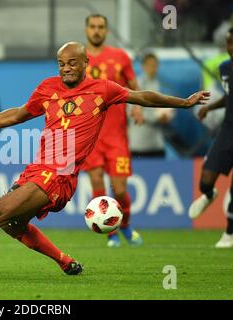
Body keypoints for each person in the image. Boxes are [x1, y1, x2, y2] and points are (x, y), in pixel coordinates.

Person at [0, 41, 209, 278]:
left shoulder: (103, 90)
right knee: (13, 226)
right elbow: (17, 114)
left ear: (86, 64)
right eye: (61, 63)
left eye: (72, 63)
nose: (65, 69)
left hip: (59, 176)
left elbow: (141, 96)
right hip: (37, 169)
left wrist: (183, 103)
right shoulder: (48, 88)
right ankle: (65, 261)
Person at [82, 14, 144, 247]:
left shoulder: (120, 57)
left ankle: (125, 225)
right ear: (86, 30)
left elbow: (134, 88)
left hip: (117, 137)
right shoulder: (79, 60)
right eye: (93, 27)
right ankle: (110, 235)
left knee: (119, 190)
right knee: (97, 183)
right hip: (91, 137)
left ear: (106, 31)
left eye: (101, 27)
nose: (96, 31)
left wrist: (137, 109)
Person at [188, 27, 233, 249]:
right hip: (228, 130)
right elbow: (232, 97)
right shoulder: (224, 69)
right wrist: (209, 108)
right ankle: (209, 194)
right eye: (230, 44)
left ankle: (229, 234)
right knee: (205, 180)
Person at [129, 53, 174, 158]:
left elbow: (169, 106)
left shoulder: (160, 85)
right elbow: (132, 110)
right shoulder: (136, 85)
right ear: (143, 66)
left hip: (157, 144)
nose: (153, 68)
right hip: (138, 145)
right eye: (150, 65)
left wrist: (168, 116)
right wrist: (156, 117)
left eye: (155, 65)